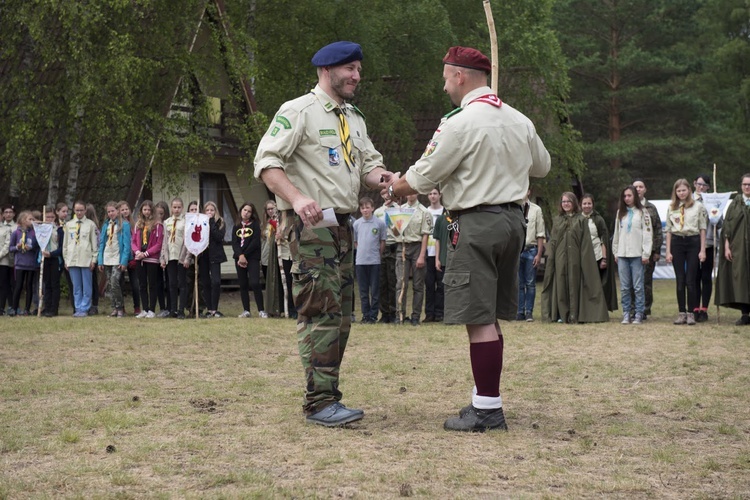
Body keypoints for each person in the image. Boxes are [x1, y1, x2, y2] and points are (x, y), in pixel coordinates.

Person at [383, 46, 550, 432]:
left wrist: (394, 188)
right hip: (512, 222)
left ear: (460, 76)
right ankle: (483, 397)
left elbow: (424, 175)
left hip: (475, 223)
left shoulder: (459, 123)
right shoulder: (519, 119)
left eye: (445, 79)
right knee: (488, 315)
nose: (444, 88)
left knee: (477, 317)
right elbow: (543, 166)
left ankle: (488, 409)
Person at [254, 40, 391, 427]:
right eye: (350, 69)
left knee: (342, 315)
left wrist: (388, 180)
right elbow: (266, 163)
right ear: (326, 70)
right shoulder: (298, 111)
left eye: (359, 70)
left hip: (343, 227)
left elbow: (367, 167)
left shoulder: (353, 118)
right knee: (320, 312)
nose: (356, 76)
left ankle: (328, 397)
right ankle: (318, 403)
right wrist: (297, 199)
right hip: (311, 227)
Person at [541, 192, 609, 324]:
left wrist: (585, 260)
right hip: (560, 257)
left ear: (574, 203)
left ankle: (575, 314)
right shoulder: (557, 220)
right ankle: (561, 314)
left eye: (568, 201)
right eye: (563, 201)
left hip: (576, 258)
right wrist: (551, 258)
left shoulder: (581, 220)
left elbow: (585, 242)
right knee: (560, 283)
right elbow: (553, 240)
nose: (566, 204)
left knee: (575, 283)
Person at [665, 178, 707, 325]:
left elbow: (702, 229)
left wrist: (702, 250)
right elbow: (669, 231)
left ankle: (691, 313)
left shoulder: (698, 206)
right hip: (677, 242)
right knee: (680, 280)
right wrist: (668, 251)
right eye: (678, 190)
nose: (681, 193)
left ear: (689, 190)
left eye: (684, 190)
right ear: (675, 192)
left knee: (691, 280)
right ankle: (681, 312)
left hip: (693, 242)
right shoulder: (671, 207)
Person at [612, 186, 652, 324]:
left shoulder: (643, 212)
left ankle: (639, 313)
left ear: (635, 196)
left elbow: (647, 234)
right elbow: (616, 233)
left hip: (637, 254)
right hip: (623, 254)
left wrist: (646, 253)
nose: (627, 198)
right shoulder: (620, 213)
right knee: (624, 286)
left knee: (638, 286)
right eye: (625, 196)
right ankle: (626, 313)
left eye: (629, 195)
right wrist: (615, 251)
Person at [715, 173, 750, 325]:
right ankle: (745, 314)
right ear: (741, 186)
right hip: (738, 249)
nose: (748, 187)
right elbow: (727, 228)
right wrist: (727, 247)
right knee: (741, 280)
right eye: (745, 184)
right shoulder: (735, 204)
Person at [395, 193, 433, 326]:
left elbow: (425, 235)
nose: (410, 195)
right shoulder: (400, 210)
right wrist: (394, 222)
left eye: (412, 192)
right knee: (401, 283)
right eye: (408, 192)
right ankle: (399, 315)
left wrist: (422, 255)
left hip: (417, 247)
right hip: (403, 246)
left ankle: (415, 316)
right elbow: (394, 232)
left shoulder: (424, 211)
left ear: (416, 193)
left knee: (418, 285)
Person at [632, 179, 663, 318]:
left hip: (648, 251)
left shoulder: (651, 208)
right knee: (632, 282)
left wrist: (656, 251)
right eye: (635, 187)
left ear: (645, 189)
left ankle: (644, 309)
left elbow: (657, 230)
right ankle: (633, 309)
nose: (638, 189)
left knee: (645, 281)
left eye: (640, 187)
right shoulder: (627, 207)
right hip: (631, 250)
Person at [353, 196, 386, 323]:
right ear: (360, 210)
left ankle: (373, 315)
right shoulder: (356, 224)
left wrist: (378, 254)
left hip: (374, 261)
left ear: (372, 208)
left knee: (375, 290)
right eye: (362, 208)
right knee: (363, 291)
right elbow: (356, 242)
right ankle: (365, 314)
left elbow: (382, 241)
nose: (365, 210)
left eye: (367, 207)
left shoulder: (379, 223)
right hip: (361, 262)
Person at [63, 201, 98, 317]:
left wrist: (94, 260)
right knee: (76, 286)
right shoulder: (69, 225)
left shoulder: (90, 225)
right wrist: (66, 260)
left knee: (87, 285)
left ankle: (85, 307)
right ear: (74, 210)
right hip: (72, 259)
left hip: (86, 259)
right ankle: (78, 307)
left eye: (81, 210)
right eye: (77, 210)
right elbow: (65, 244)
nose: (79, 212)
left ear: (85, 211)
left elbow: (94, 244)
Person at [233, 202, 267, 318]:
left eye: (249, 211)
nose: (246, 213)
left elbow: (255, 243)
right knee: (243, 284)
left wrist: (245, 255)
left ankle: (261, 310)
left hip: (252, 257)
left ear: (252, 213)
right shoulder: (236, 225)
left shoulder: (255, 225)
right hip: (239, 258)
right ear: (241, 211)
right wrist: (240, 255)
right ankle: (246, 310)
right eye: (244, 210)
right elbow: (234, 243)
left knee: (255, 283)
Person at [98, 201, 131, 317]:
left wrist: (124, 261)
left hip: (118, 257)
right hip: (107, 256)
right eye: (109, 211)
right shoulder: (106, 225)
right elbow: (102, 243)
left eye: (113, 211)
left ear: (117, 211)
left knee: (115, 281)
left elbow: (127, 245)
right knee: (110, 284)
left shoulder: (124, 225)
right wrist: (100, 260)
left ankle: (120, 307)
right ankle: (115, 308)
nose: (111, 213)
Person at [692, 174, 719, 322]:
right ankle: (695, 308)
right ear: (694, 184)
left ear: (708, 187)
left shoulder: (712, 201)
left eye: (704, 185)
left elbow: (719, 223)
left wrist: (716, 216)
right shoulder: (689, 200)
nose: (701, 187)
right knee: (695, 276)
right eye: (698, 184)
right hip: (692, 243)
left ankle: (704, 309)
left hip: (709, 242)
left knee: (706, 276)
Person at [131, 200, 163, 319]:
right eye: (145, 209)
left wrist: (147, 253)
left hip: (151, 259)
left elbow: (158, 244)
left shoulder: (157, 225)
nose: (147, 212)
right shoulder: (138, 224)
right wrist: (137, 252)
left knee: (152, 284)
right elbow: (133, 241)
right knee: (142, 284)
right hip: (139, 258)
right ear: (141, 211)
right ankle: (144, 308)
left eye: (149, 210)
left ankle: (152, 309)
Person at [517, 189, 545, 322]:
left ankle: (529, 312)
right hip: (517, 250)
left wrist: (539, 254)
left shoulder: (536, 210)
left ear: (529, 191)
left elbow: (540, 233)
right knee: (518, 283)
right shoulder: (513, 208)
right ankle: (519, 311)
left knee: (530, 283)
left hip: (531, 249)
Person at [374, 196, 400, 323]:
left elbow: (399, 232)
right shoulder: (378, 212)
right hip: (380, 249)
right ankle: (384, 313)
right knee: (382, 282)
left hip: (393, 247)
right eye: (384, 194)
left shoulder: (400, 210)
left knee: (393, 282)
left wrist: (392, 223)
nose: (387, 197)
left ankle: (394, 312)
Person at [199, 201, 227, 318]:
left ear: (215, 211)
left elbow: (218, 237)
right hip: (204, 255)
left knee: (216, 281)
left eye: (212, 210)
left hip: (215, 255)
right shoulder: (200, 222)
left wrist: (211, 222)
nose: (209, 212)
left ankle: (215, 308)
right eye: (207, 210)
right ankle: (209, 309)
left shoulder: (220, 222)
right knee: (205, 282)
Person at [161, 198, 187, 318]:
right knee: (171, 283)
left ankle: (181, 310)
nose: (176, 210)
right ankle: (173, 309)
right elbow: (164, 241)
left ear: (182, 208)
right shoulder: (167, 222)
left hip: (181, 256)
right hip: (170, 256)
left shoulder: (185, 221)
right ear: (171, 208)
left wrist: (187, 257)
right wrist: (163, 258)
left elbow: (187, 241)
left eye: (179, 207)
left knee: (182, 283)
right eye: (174, 207)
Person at [9, 211, 38, 316]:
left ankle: (27, 309)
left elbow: (37, 246)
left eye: (33, 219)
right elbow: (10, 248)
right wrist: (17, 246)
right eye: (29, 219)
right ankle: (14, 308)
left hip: (31, 264)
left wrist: (31, 247)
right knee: (18, 286)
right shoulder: (16, 233)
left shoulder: (34, 233)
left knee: (29, 286)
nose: (32, 221)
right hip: (20, 264)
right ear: (22, 221)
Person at [424, 188, 446, 323]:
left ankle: (440, 313)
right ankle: (429, 314)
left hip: (440, 255)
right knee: (429, 285)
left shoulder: (446, 212)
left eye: (435, 193)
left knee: (441, 286)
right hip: (427, 253)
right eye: (430, 194)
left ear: (440, 195)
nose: (432, 196)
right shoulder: (424, 212)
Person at [118, 201, 141, 316]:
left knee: (135, 284)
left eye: (126, 209)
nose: (125, 211)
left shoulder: (134, 224)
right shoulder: (117, 225)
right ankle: (121, 307)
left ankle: (137, 307)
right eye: (122, 210)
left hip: (133, 258)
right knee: (120, 283)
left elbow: (136, 241)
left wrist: (134, 256)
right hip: (121, 257)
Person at [40, 208, 63, 317]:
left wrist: (52, 254)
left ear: (55, 218)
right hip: (44, 259)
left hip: (54, 259)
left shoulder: (59, 230)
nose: (49, 219)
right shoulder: (41, 230)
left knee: (54, 284)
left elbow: (61, 248)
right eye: (47, 217)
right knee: (47, 284)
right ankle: (47, 307)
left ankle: (54, 309)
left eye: (51, 217)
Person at [0, 204, 17, 316]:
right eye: (5, 212)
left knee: (12, 284)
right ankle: (3, 306)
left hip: (14, 259)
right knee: (3, 283)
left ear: (14, 214)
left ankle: (12, 306)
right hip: (3, 260)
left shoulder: (16, 227)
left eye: (10, 212)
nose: (8, 214)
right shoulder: (1, 227)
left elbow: (8, 245)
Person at [85, 203, 101, 315]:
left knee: (92, 281)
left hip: (91, 257)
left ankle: (94, 305)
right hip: (83, 257)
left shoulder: (94, 227)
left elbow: (97, 243)